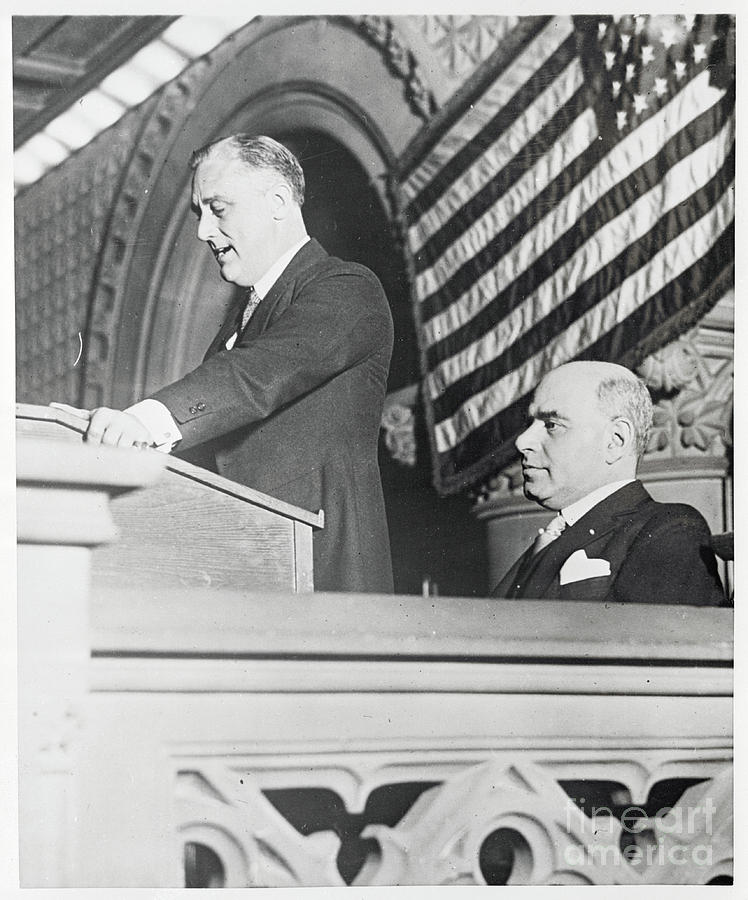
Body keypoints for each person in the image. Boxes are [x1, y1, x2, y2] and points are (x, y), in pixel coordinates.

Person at [65, 134, 394, 594]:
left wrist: (148, 418)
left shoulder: (346, 287)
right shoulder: (236, 327)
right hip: (246, 575)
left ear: (278, 201)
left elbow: (260, 374)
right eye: (200, 214)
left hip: (324, 577)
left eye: (219, 210)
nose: (202, 232)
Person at [491, 361, 726, 605]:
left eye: (552, 425)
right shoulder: (552, 537)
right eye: (530, 424)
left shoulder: (670, 530)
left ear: (616, 440)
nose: (522, 441)